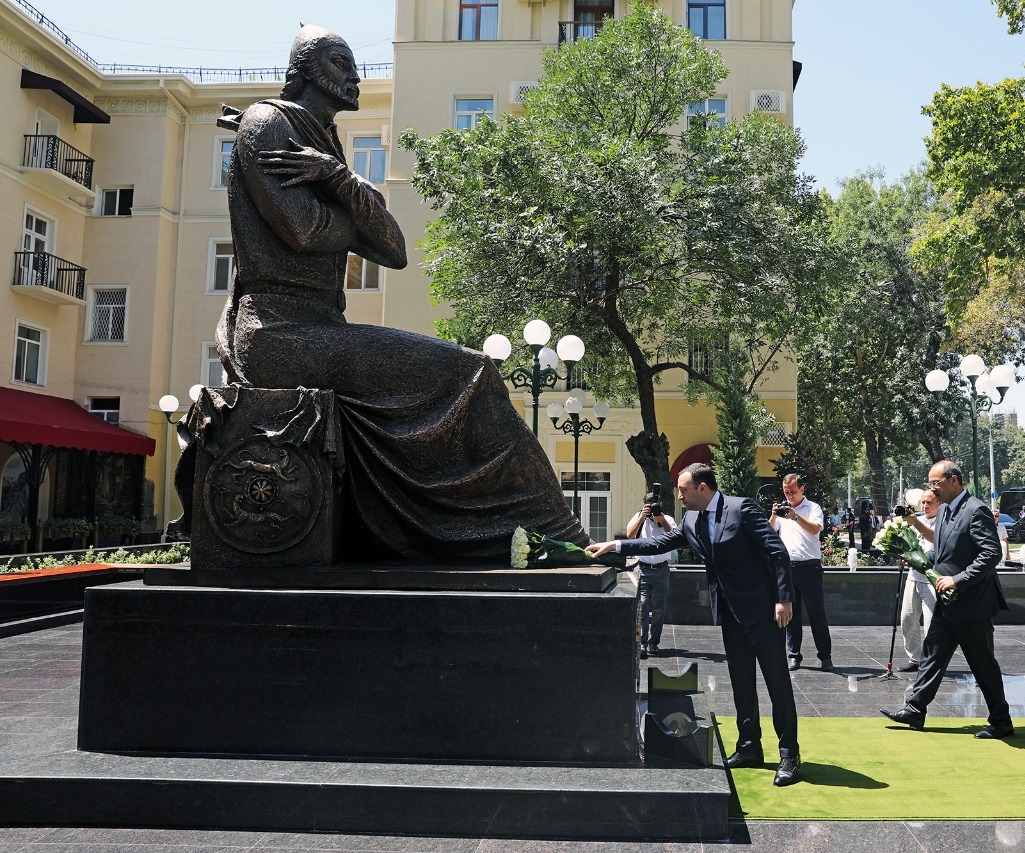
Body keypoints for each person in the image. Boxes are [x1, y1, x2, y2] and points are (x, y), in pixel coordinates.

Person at [179, 25, 584, 560]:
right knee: (472, 371)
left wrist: (340, 180)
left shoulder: (324, 146)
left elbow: (393, 249)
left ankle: (525, 531)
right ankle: (546, 533)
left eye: (354, 65)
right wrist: (357, 210)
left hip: (319, 329)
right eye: (339, 63)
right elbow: (305, 229)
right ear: (304, 70)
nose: (354, 76)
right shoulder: (267, 123)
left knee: (467, 374)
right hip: (279, 333)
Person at [587, 463, 802, 786]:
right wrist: (616, 546)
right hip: (730, 614)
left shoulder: (740, 508)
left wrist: (783, 599)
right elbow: (658, 544)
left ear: (703, 488)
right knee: (742, 682)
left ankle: (789, 754)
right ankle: (749, 747)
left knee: (777, 684)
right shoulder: (691, 520)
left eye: (683, 490)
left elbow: (777, 551)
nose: (679, 496)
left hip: (764, 612)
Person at [880, 461, 1014, 740]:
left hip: (973, 604)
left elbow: (991, 554)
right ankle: (915, 709)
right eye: (930, 483)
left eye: (936, 483)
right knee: (932, 654)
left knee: (982, 664)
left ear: (954, 481)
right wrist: (918, 559)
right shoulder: (943, 511)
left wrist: (957, 580)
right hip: (948, 602)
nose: (932, 488)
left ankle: (1001, 722)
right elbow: (943, 554)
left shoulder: (976, 510)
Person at [769, 474, 832, 672]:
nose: (790, 496)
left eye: (793, 492)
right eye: (786, 492)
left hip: (810, 568)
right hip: (788, 568)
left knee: (817, 614)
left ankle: (825, 656)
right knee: (791, 616)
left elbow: (815, 529)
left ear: (802, 489)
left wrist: (795, 517)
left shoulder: (813, 508)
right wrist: (774, 515)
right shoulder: (783, 509)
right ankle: (793, 655)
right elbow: (769, 532)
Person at [626, 486, 674, 658]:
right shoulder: (639, 518)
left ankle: (654, 643)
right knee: (643, 606)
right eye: (649, 506)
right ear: (644, 505)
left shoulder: (667, 519)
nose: (652, 509)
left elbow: (673, 536)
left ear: (660, 505)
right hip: (643, 569)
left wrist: (661, 520)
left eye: (655, 505)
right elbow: (629, 535)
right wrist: (641, 517)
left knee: (659, 608)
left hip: (662, 569)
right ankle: (643, 643)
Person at [897, 489, 939, 672]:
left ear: (939, 503)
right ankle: (915, 658)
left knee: (931, 623)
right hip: (913, 576)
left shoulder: (943, 522)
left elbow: (936, 543)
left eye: (929, 502)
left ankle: (932, 660)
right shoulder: (916, 520)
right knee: (907, 619)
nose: (925, 506)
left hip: (931, 578)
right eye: (923, 502)